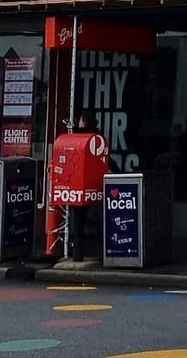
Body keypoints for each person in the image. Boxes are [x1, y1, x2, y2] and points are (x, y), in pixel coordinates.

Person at [68, 111, 102, 262]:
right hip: (93, 182)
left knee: (79, 216)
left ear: (84, 122)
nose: (78, 123)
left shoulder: (78, 137)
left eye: (80, 120)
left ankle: (78, 249)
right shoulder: (97, 138)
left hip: (79, 181)